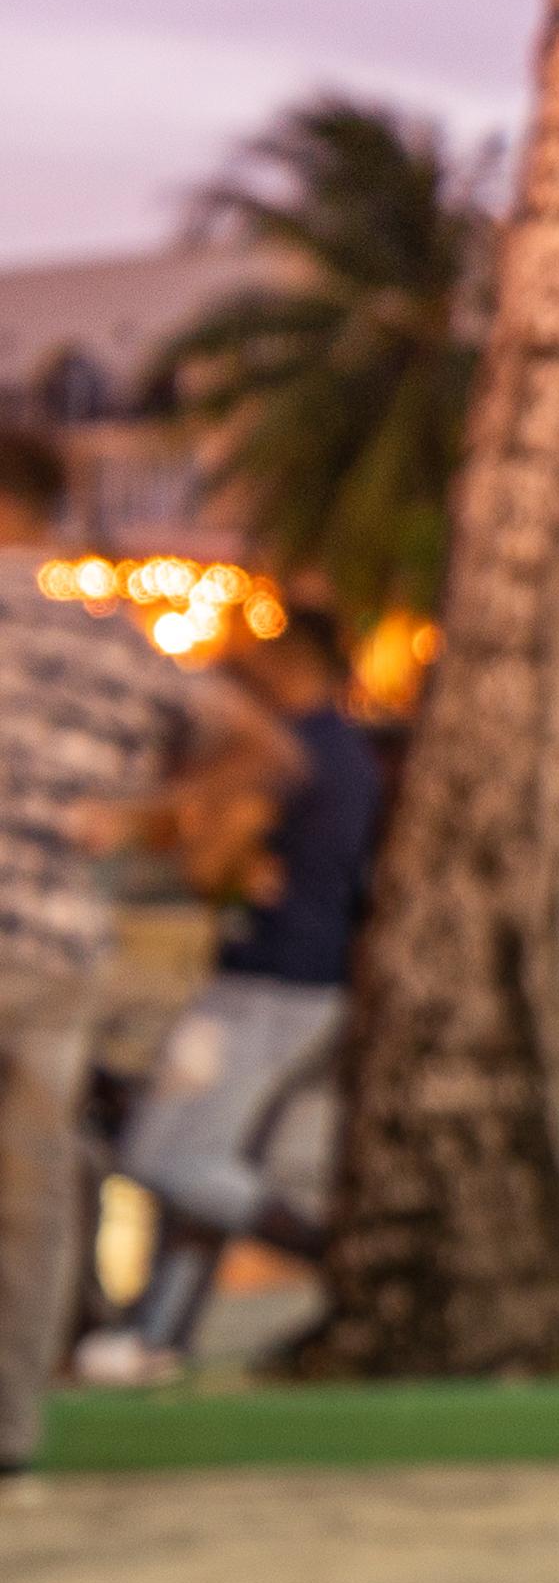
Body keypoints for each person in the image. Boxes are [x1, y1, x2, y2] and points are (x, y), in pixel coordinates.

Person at [0, 431, 289, 1481]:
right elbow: (266, 744)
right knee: (31, 1198)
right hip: (61, 948)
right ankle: (12, 1435)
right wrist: (145, 813)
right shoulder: (108, 630)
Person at [77, 601, 378, 1383]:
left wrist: (196, 830)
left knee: (161, 1153)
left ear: (291, 661)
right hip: (303, 982)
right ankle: (155, 1337)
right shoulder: (350, 755)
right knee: (206, 1161)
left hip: (262, 985)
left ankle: (344, 1259)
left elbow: (207, 867)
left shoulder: (286, 754)